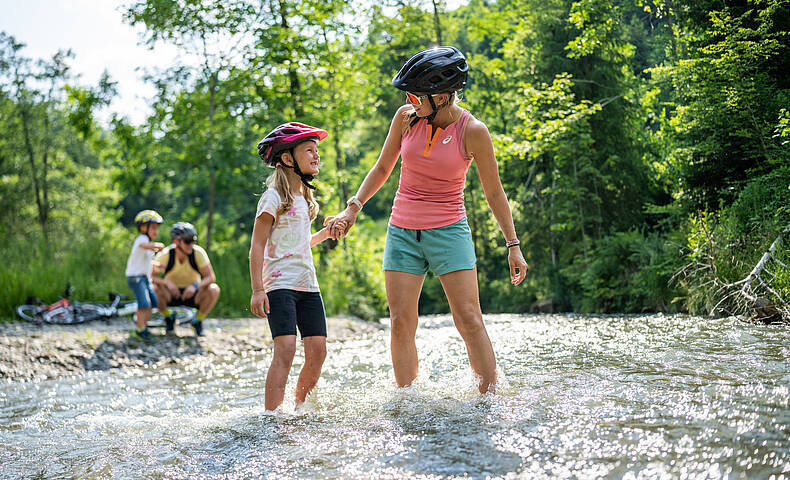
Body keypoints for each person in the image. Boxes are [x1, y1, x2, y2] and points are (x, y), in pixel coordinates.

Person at [327, 46, 528, 394]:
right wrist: (353, 207)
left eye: (415, 94)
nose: (409, 100)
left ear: (441, 95)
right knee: (401, 322)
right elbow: (382, 167)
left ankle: (491, 398)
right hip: (402, 232)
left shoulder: (473, 131)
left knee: (468, 320)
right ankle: (409, 400)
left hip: (450, 231)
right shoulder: (405, 118)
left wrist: (513, 245)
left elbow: (494, 193)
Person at [249, 121, 342, 412]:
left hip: (308, 285)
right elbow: (257, 246)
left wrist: (325, 234)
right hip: (279, 287)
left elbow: (298, 244)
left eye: (317, 151)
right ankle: (272, 416)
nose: (316, 156)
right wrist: (257, 290)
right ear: (288, 159)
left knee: (318, 351)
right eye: (309, 151)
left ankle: (300, 409)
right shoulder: (273, 198)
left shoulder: (305, 199)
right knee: (286, 350)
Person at [152, 222, 220, 337]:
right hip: (171, 294)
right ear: (176, 241)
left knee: (214, 289)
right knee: (153, 288)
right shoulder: (165, 255)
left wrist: (195, 286)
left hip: (193, 294)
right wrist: (167, 283)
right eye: (187, 241)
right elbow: (151, 277)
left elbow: (211, 277)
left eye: (193, 240)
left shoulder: (198, 253)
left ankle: (197, 321)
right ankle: (169, 318)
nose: (191, 244)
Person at [126, 209, 165, 342]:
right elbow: (145, 245)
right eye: (153, 228)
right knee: (144, 304)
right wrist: (157, 245)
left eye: (157, 228)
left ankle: (143, 326)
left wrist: (157, 265)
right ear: (143, 227)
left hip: (144, 279)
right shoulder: (142, 239)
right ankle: (140, 329)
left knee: (152, 303)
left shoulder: (147, 245)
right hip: (136, 278)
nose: (156, 231)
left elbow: (147, 260)